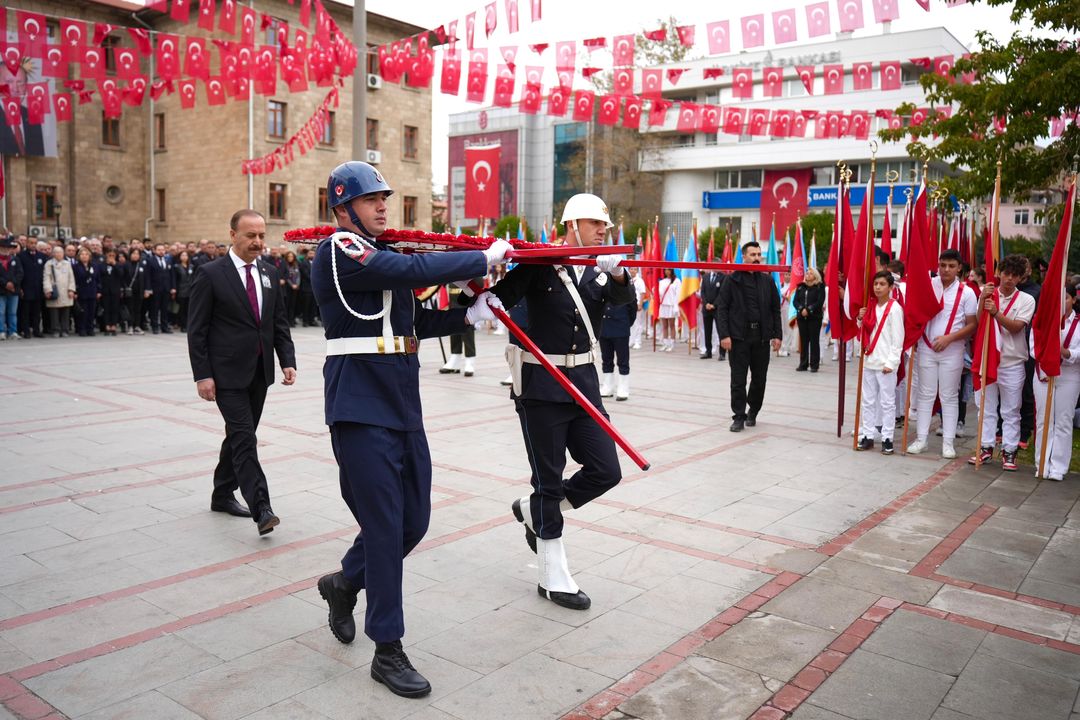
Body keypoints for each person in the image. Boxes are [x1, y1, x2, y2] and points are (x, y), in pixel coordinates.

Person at [310, 161, 511, 699]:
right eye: (371, 198)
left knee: (412, 523)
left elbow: (408, 320)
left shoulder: (381, 257)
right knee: (383, 526)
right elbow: (404, 276)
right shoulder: (341, 250)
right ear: (342, 207)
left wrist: (469, 312)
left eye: (384, 198)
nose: (382, 206)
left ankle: (344, 582)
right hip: (358, 406)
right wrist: (477, 256)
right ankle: (387, 648)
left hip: (401, 404)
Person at [491, 192, 633, 614]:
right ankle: (552, 577)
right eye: (595, 224)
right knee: (548, 481)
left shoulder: (600, 269)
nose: (603, 231)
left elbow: (628, 304)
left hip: (585, 386)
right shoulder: (539, 264)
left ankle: (533, 510)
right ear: (571, 227)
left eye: (605, 226)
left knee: (606, 470)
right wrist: (475, 285)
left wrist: (621, 278)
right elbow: (500, 296)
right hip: (542, 389)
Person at [187, 210, 297, 537]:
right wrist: (202, 374)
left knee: (238, 435)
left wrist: (286, 359)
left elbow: (277, 321)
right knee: (245, 438)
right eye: (251, 236)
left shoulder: (268, 271)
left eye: (262, 236)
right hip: (225, 375)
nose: (258, 242)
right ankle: (261, 507)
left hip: (259, 373)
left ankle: (222, 494)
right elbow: (197, 330)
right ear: (233, 235)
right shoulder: (210, 274)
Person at [907, 249, 978, 458]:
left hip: (952, 350)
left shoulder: (967, 292)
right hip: (926, 347)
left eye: (951, 266)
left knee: (949, 396)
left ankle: (948, 443)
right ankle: (921, 439)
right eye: (942, 265)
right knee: (925, 394)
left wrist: (949, 339)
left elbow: (972, 324)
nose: (946, 270)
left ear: (959, 268)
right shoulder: (929, 285)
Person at [969, 254, 1036, 470]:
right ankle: (986, 446)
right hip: (988, 359)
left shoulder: (1027, 300)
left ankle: (1009, 450)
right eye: (1006, 273)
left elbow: (1017, 327)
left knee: (1010, 410)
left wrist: (996, 312)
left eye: (1014, 276)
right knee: (986, 408)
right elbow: (979, 322)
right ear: (999, 273)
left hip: (1012, 362)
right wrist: (982, 301)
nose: (1008, 279)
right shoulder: (988, 293)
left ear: (1020, 278)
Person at [717, 241, 782, 432]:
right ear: (743, 257)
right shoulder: (732, 280)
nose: (756, 258)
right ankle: (738, 415)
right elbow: (723, 309)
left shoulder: (767, 281)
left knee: (759, 379)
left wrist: (777, 335)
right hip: (738, 338)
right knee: (738, 379)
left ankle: (753, 410)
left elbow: (775, 309)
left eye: (758, 254)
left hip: (761, 337)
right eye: (752, 254)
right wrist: (724, 335)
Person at [1033, 283, 1080, 481]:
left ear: (1074, 299)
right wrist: (1048, 356)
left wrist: (1066, 352)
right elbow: (1033, 348)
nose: (1062, 303)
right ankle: (1041, 463)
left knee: (1063, 420)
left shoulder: (1078, 323)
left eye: (1066, 298)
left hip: (1069, 375)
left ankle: (1058, 467)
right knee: (1044, 420)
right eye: (1058, 299)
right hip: (1044, 373)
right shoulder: (1042, 320)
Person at [857, 271, 905, 454]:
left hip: (885, 363)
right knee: (867, 402)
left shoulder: (895, 308)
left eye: (882, 284)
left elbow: (897, 339)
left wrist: (891, 363)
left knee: (887, 403)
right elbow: (863, 331)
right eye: (876, 283)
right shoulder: (869, 306)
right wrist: (860, 318)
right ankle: (868, 435)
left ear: (891, 287)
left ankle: (887, 438)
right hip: (869, 360)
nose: (878, 287)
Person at [599, 290, 636, 400]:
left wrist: (625, 324)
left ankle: (623, 388)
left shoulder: (626, 286)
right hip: (604, 328)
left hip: (620, 328)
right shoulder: (601, 283)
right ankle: (607, 386)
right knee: (606, 359)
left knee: (623, 360)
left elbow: (632, 309)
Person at [793, 267, 825, 372]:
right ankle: (803, 364)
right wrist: (801, 309)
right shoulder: (800, 287)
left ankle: (814, 365)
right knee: (804, 341)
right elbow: (795, 301)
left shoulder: (819, 287)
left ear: (815, 276)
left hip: (814, 318)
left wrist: (809, 309)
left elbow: (819, 302)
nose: (808, 275)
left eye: (810, 273)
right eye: (807, 273)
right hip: (802, 318)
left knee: (814, 341)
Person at [43, 245, 75, 337]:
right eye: (56, 252)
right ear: (53, 254)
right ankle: (55, 330)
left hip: (65, 291)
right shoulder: (49, 264)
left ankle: (65, 329)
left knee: (66, 311)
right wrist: (48, 289)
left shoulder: (67, 263)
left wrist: (71, 289)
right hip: (55, 290)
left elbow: (71, 278)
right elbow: (46, 278)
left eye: (60, 252)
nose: (58, 254)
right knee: (54, 312)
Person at [18, 239, 47, 338]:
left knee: (37, 312)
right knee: (25, 312)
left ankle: (36, 330)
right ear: (27, 243)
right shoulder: (21, 256)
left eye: (35, 243)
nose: (33, 245)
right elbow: (19, 273)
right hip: (26, 288)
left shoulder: (41, 256)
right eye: (31, 243)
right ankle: (26, 331)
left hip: (38, 289)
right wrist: (20, 287)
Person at [72, 247, 100, 337]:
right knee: (83, 311)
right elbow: (74, 280)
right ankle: (82, 329)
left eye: (86, 254)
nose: (84, 256)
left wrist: (99, 290)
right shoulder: (75, 267)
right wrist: (75, 292)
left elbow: (98, 279)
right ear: (79, 256)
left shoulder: (94, 266)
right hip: (81, 291)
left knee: (91, 312)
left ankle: (90, 328)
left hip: (92, 291)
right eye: (82, 254)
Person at [147, 243, 174, 334]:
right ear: (154, 250)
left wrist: (172, 287)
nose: (161, 251)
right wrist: (148, 288)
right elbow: (148, 276)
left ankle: (164, 326)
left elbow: (171, 275)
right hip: (155, 289)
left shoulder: (168, 260)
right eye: (159, 250)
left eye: (163, 250)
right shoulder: (150, 261)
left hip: (166, 288)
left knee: (165, 309)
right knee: (155, 308)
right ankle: (155, 326)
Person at [0, 236, 23, 340]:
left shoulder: (15, 259)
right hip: (1, 290)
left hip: (13, 290)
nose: (5, 250)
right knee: (1, 312)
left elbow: (20, 273)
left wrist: (13, 283)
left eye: (7, 248)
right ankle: (1, 331)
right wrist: (5, 284)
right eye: (3, 248)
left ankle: (13, 331)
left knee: (13, 312)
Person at [99, 250, 125, 336]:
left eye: (113, 255)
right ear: (106, 255)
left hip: (115, 290)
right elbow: (100, 275)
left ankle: (113, 325)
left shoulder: (118, 265)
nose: (111, 257)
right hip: (105, 290)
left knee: (115, 308)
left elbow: (121, 274)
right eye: (109, 255)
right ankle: (107, 326)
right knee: (106, 309)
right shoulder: (102, 265)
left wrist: (114, 264)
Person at [700, 269, 724, 359]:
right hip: (706, 308)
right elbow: (703, 292)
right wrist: (706, 304)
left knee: (721, 330)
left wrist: (714, 305)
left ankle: (722, 353)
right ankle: (708, 351)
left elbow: (722, 293)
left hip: (717, 309)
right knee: (707, 331)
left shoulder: (723, 277)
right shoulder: (705, 277)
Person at [126, 248, 148, 335]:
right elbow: (123, 278)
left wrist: (146, 290)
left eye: (137, 254)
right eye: (133, 253)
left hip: (140, 290)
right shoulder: (126, 265)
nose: (135, 255)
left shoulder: (142, 265)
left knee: (138, 309)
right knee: (130, 308)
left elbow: (146, 278)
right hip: (129, 291)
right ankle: (130, 325)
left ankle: (137, 326)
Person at [172, 250, 196, 332]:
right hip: (181, 291)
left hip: (190, 291)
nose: (184, 257)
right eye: (182, 255)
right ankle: (182, 325)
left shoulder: (191, 266)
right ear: (180, 257)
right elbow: (174, 279)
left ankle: (188, 325)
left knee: (189, 309)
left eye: (186, 255)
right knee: (182, 309)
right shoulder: (176, 267)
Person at [657, 269, 680, 351]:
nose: (667, 271)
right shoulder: (662, 281)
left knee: (672, 325)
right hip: (663, 305)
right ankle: (665, 343)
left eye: (669, 270)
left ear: (672, 271)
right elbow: (660, 294)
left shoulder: (676, 281)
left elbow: (678, 294)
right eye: (666, 270)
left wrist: (676, 306)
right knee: (664, 325)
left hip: (671, 305)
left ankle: (672, 344)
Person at [280, 250, 301, 327]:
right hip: (288, 288)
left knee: (293, 305)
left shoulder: (296, 265)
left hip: (295, 288)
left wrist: (297, 284)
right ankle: (287, 321)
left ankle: (292, 321)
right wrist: (292, 285)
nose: (290, 258)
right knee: (287, 305)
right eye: (289, 256)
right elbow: (287, 276)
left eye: (292, 256)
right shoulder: (284, 265)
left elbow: (298, 276)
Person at [628, 267, 647, 350]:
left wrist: (640, 304)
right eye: (631, 269)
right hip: (628, 305)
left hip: (636, 304)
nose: (633, 271)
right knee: (630, 324)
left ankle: (637, 341)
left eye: (634, 269)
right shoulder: (627, 279)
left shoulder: (639, 281)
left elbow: (642, 293)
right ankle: (631, 341)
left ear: (637, 271)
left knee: (637, 323)